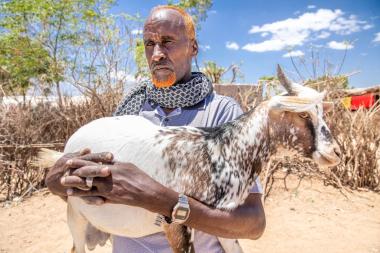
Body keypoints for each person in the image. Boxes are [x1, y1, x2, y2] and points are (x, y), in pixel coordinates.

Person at [45, 5, 266, 253]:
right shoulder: (127, 112)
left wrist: (159, 199)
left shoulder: (223, 115)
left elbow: (253, 222)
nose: (157, 53)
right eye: (149, 44)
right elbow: (94, 192)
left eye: (167, 41)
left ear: (193, 48)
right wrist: (60, 184)